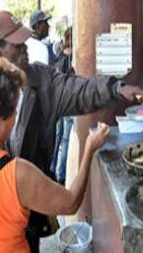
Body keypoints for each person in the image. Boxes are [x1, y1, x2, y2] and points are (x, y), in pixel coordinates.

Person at [0, 10, 143, 252]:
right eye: (17, 45)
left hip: (30, 213)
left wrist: (116, 89)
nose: (24, 48)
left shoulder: (41, 81)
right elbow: (70, 203)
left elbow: (79, 90)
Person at [0, 57, 110, 252]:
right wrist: (89, 150)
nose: (16, 117)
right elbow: (70, 203)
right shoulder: (16, 174)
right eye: (15, 111)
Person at [50, 27, 74, 184]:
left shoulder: (58, 55)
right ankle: (61, 174)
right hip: (66, 103)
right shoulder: (72, 57)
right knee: (65, 139)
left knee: (57, 137)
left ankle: (52, 169)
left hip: (55, 102)